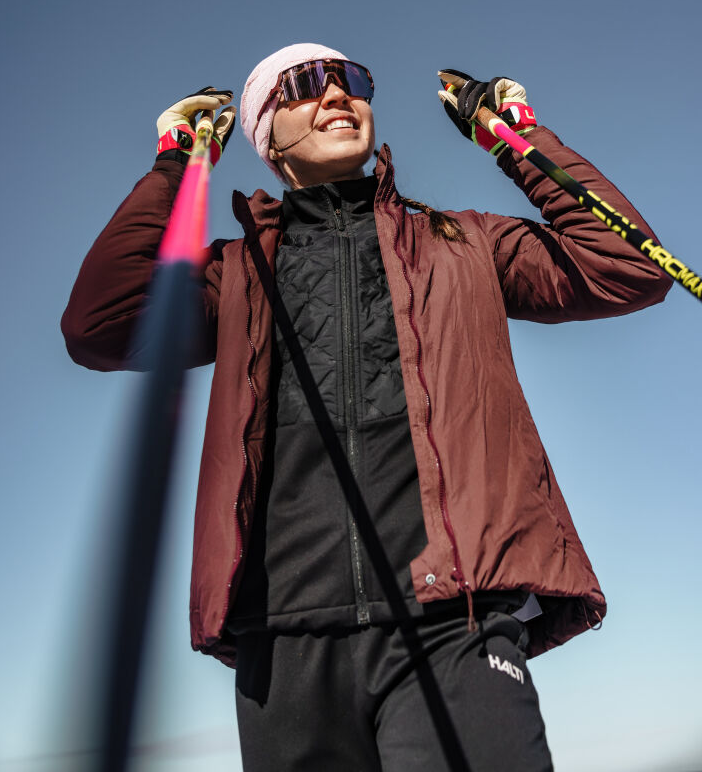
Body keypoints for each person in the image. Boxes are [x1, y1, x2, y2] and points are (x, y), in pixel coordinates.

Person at [62, 42, 670, 771]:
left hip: (453, 623)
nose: (337, 94)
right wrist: (173, 167)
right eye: (303, 86)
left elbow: (626, 265)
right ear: (266, 141)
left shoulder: (463, 242)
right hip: (284, 644)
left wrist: (516, 137)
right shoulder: (236, 273)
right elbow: (100, 323)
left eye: (352, 79)